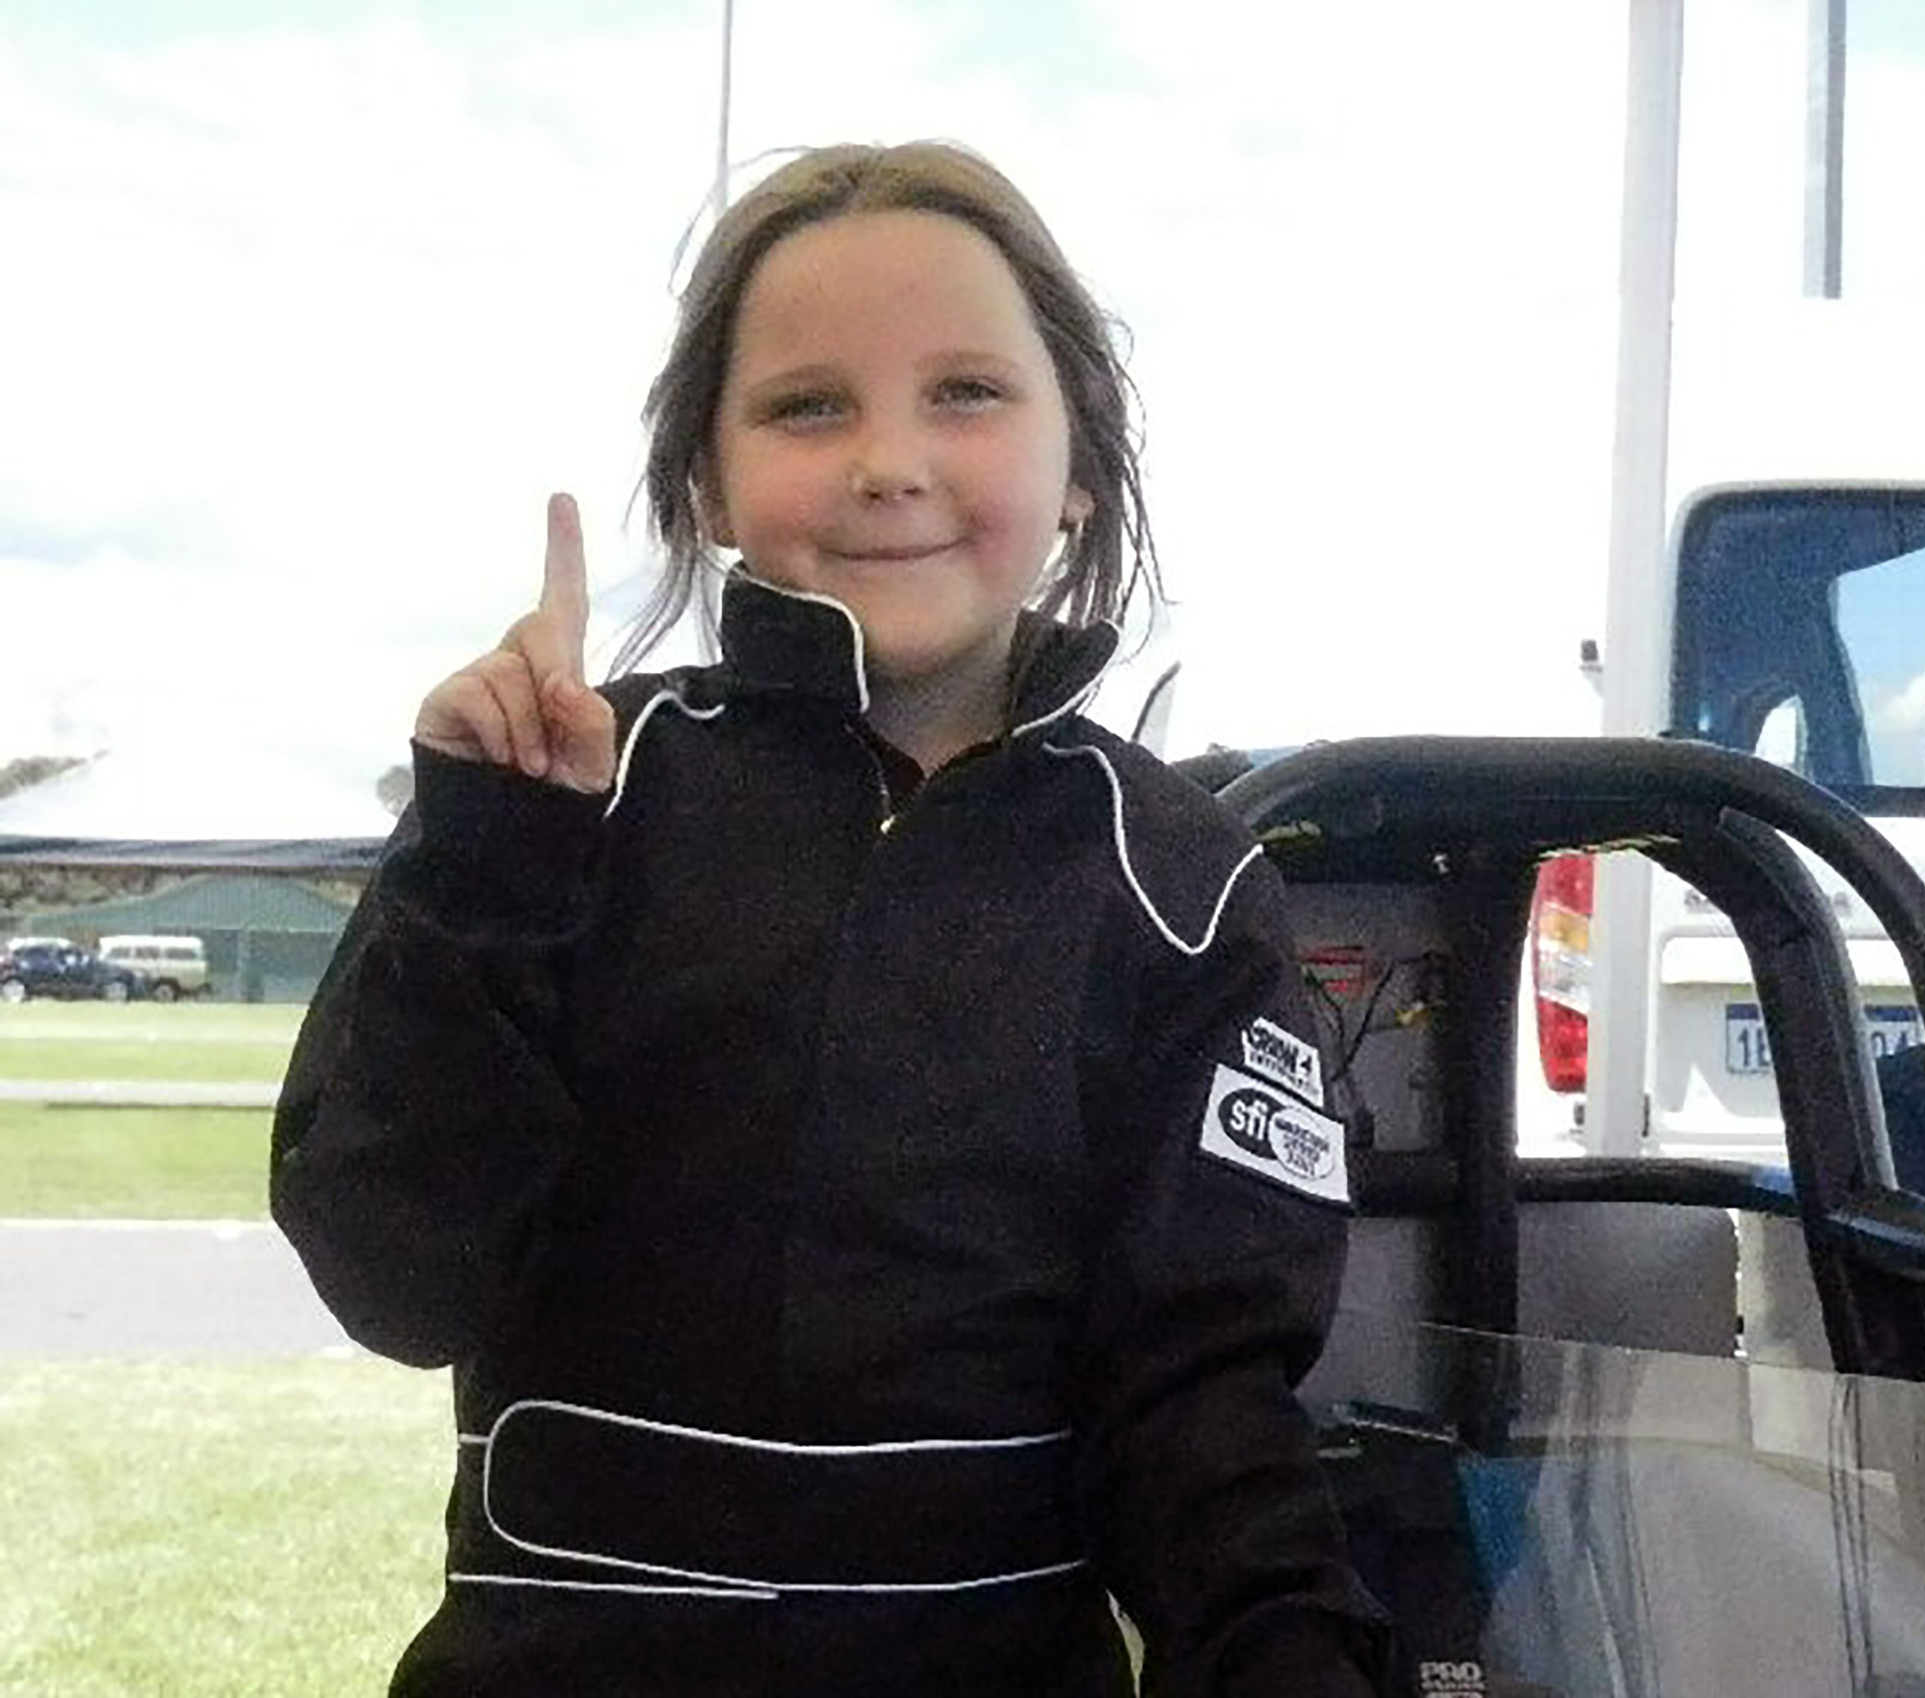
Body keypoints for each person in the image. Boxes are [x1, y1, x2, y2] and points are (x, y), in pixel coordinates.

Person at [272, 140, 1387, 1698]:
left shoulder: (1183, 886)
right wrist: (485, 867)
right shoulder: (554, 800)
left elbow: (1203, 1401)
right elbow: (396, 1278)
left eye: (966, 393)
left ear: (1078, 467)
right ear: (704, 479)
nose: (887, 461)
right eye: (808, 404)